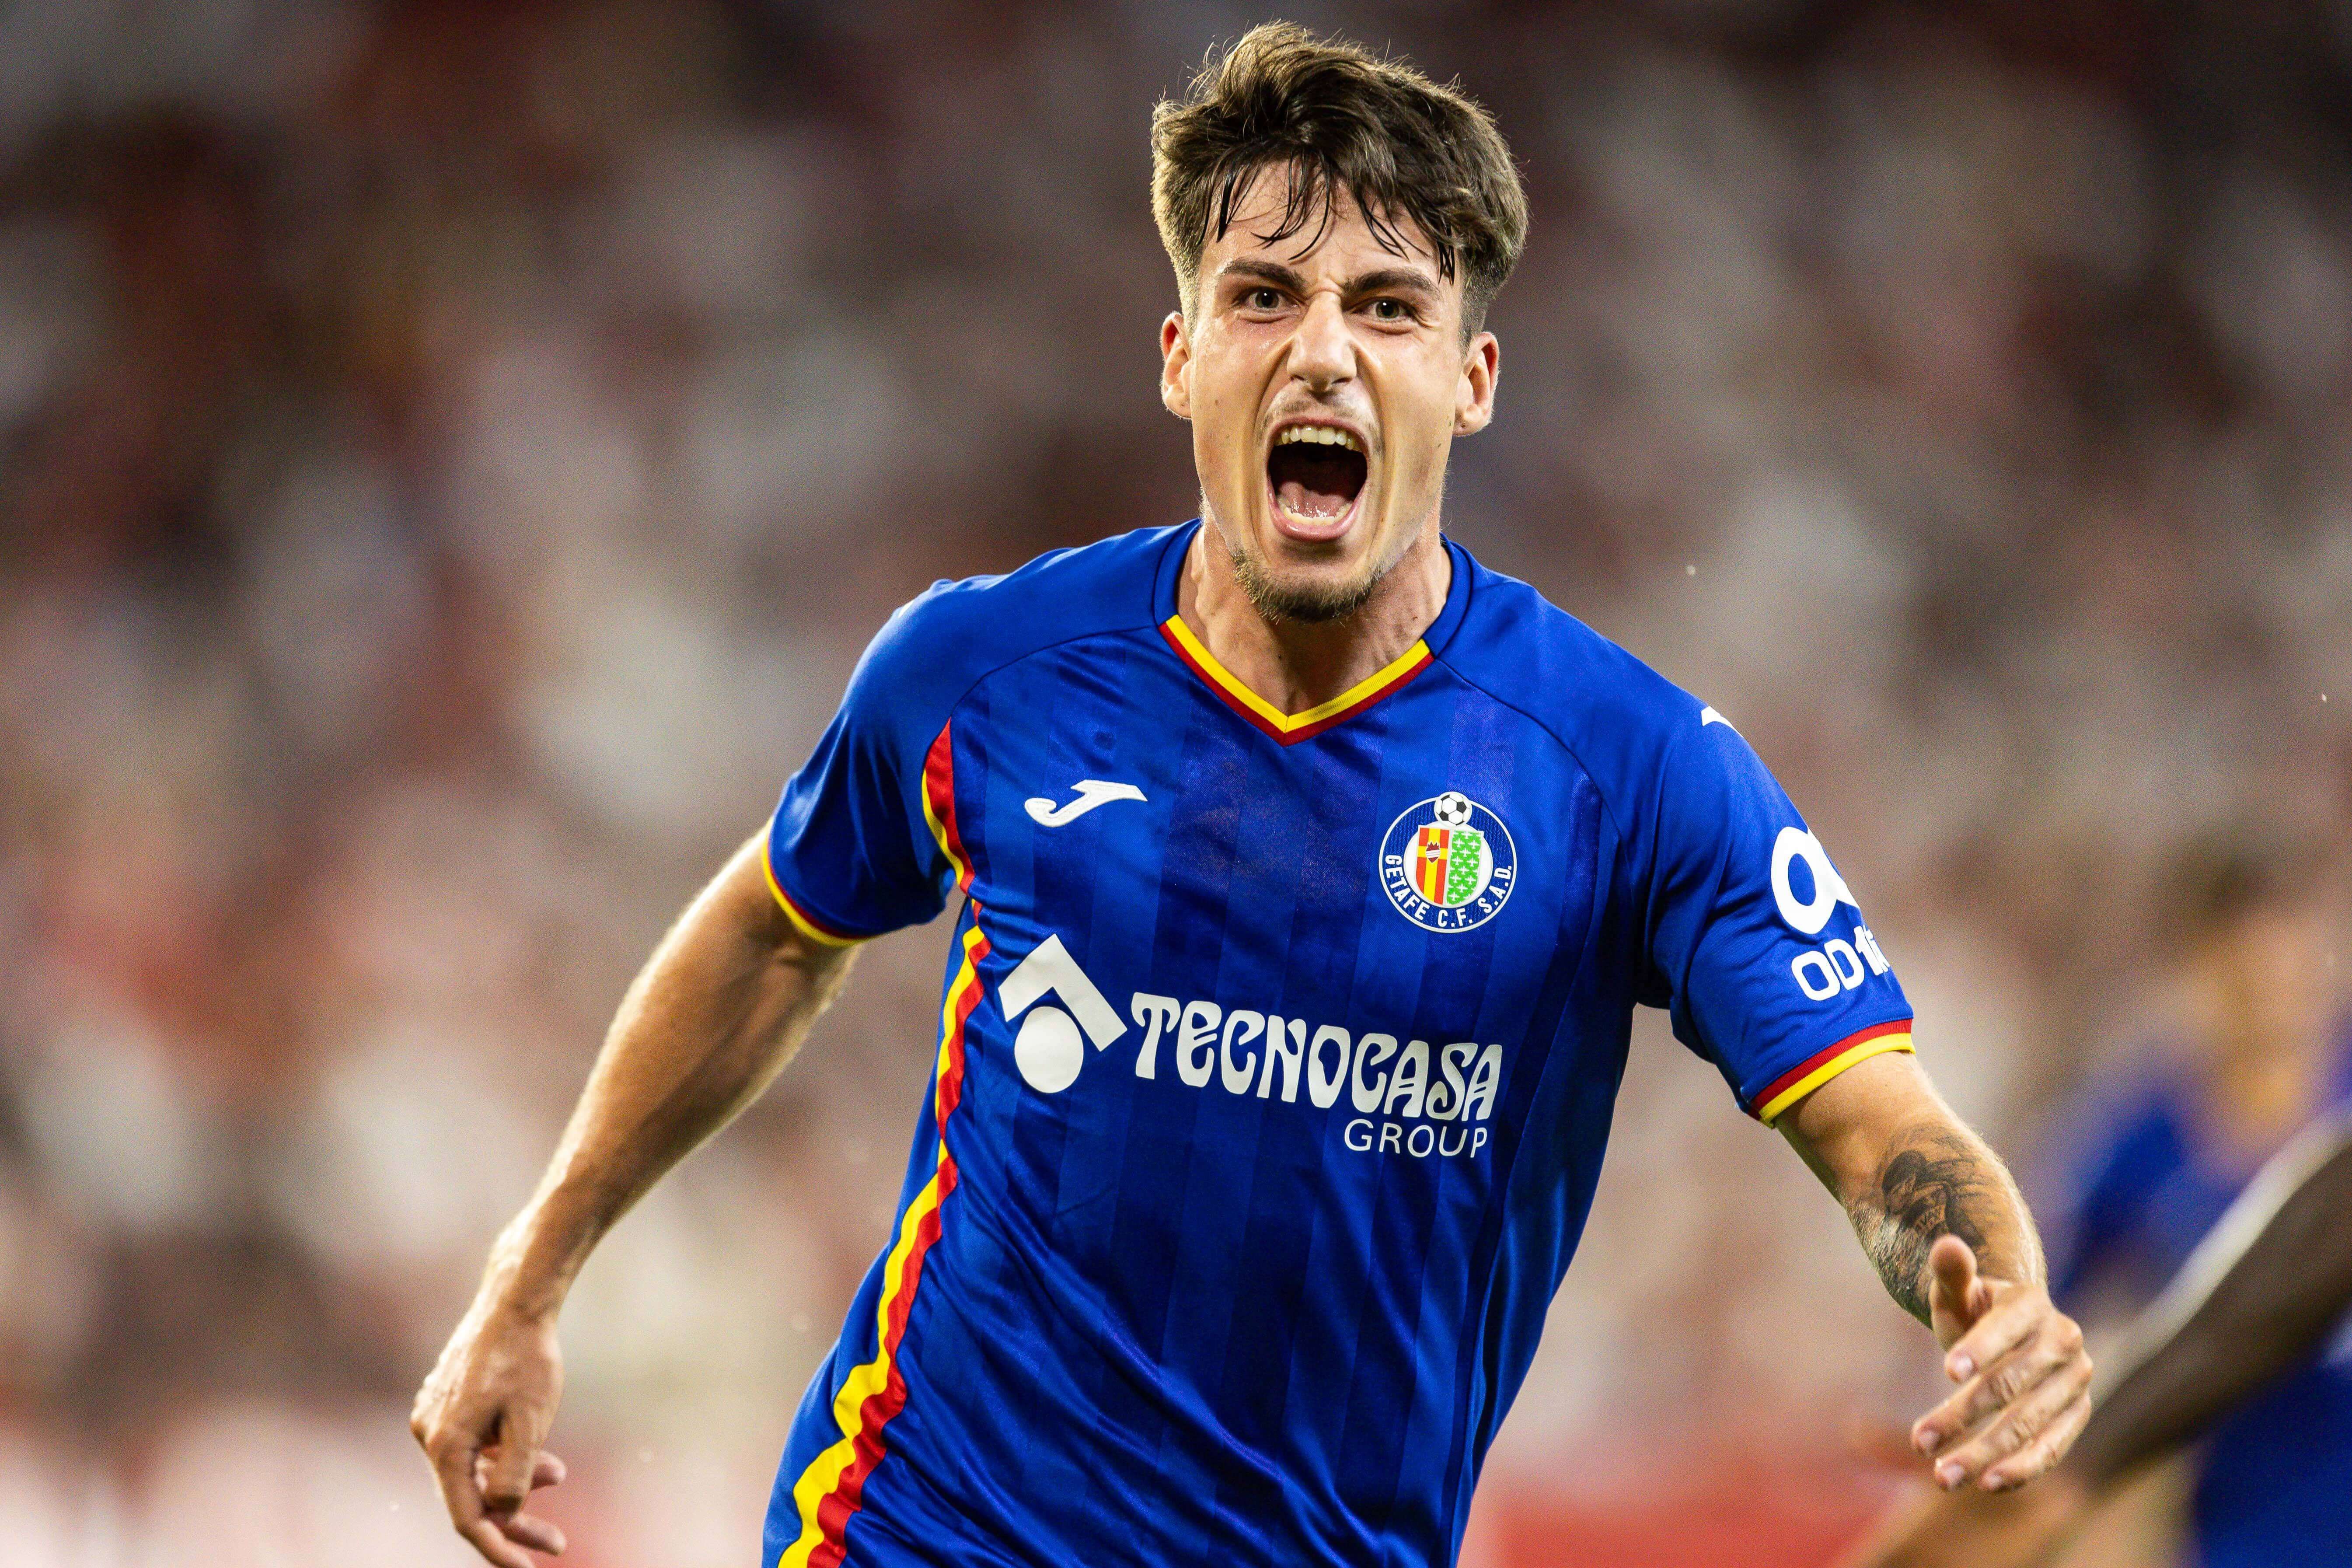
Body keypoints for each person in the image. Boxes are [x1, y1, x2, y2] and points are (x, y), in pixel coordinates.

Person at [409, 25, 2092, 1568]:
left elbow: (1878, 1119)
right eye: (1265, 294)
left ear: (1471, 377)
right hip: (918, 1524)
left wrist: (1990, 1289)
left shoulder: (1627, 769)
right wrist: (528, 1272)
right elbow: (777, 932)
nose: (1323, 354)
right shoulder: (982, 673)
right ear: (1179, 352)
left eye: (1386, 305)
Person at [1841, 839, 2352, 1568]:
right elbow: (2036, 1305)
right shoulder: (2128, 1148)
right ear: (2197, 972)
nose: (2270, 991)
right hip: (2236, 1528)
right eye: (2243, 971)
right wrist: (2010, 1404)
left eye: (2285, 963)